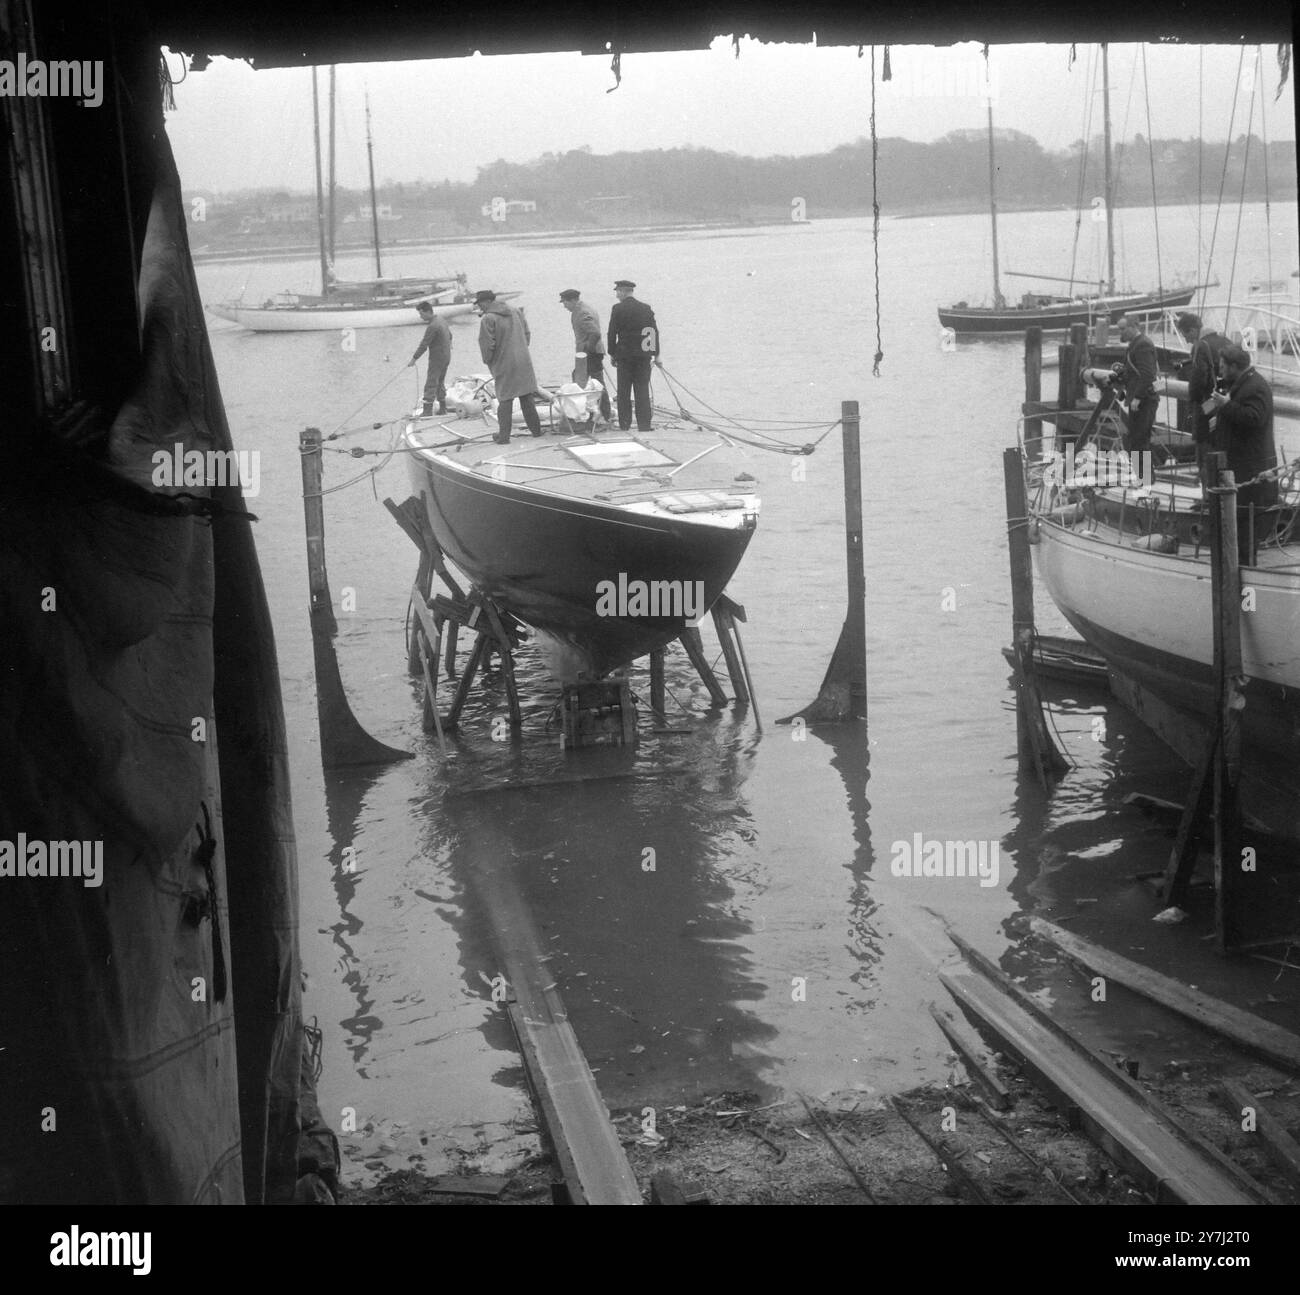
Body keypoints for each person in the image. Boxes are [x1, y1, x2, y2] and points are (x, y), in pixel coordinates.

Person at [1205, 343, 1278, 564]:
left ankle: (1142, 486)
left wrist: (1225, 406)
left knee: (1139, 446)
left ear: (1234, 366)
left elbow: (1254, 418)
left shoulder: (1254, 386)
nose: (1220, 371)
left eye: (1223, 366)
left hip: (1248, 465)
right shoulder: (1239, 383)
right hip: (1233, 461)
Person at [476, 290, 542, 444]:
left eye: (480, 304)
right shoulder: (515, 311)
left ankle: (504, 437)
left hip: (504, 363)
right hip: (523, 361)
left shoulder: (488, 318)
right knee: (526, 397)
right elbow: (527, 334)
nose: (480, 307)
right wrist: (522, 349)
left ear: (486, 302)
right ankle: (537, 432)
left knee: (505, 399)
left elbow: (487, 345)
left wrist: (489, 361)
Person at [1175, 311, 1229, 465]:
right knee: (1222, 452)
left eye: (1185, 335)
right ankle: (1222, 485)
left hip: (1209, 404)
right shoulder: (1225, 341)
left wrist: (1193, 405)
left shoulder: (1200, 346)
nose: (1186, 340)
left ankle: (1142, 480)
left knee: (1204, 451)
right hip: (1226, 402)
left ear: (1192, 330)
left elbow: (1198, 381)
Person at [607, 279, 659, 432]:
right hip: (643, 356)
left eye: (617, 291)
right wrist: (655, 354)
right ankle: (644, 425)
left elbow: (612, 333)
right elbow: (653, 332)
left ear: (623, 291)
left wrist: (612, 353)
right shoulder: (645, 308)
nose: (617, 295)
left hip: (624, 357)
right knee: (642, 391)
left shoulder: (617, 309)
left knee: (623, 392)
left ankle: (625, 424)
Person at [560, 288, 612, 424]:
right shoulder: (582, 309)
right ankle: (598, 414)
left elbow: (595, 333)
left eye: (565, 302)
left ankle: (598, 414)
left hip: (590, 354)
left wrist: (586, 351)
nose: (564, 306)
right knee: (592, 382)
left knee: (589, 382)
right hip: (591, 353)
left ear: (572, 300)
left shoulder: (582, 312)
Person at [1114, 315, 1159, 457]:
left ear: (1134, 326)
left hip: (1144, 400)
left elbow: (1147, 374)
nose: (1120, 332)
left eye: (1123, 329)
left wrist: (1138, 397)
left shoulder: (1142, 344)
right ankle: (1142, 476)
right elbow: (1136, 372)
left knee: (1140, 442)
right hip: (1137, 399)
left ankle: (1144, 478)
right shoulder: (1135, 344)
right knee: (1135, 440)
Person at [406, 301, 452, 415]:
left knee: (431, 383)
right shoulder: (441, 320)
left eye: (421, 314)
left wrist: (413, 359)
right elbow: (450, 335)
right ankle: (442, 408)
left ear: (428, 312)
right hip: (446, 356)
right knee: (440, 382)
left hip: (437, 359)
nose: (420, 316)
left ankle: (427, 411)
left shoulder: (433, 326)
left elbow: (424, 345)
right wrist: (449, 345)